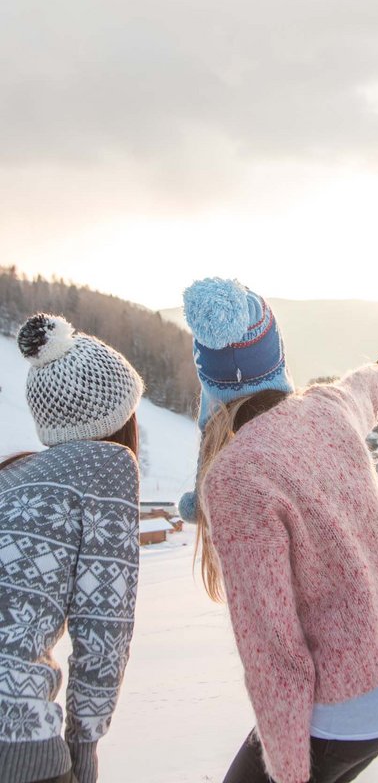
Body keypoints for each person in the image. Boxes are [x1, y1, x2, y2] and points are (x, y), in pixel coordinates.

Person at [179, 279, 378, 783]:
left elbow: (273, 652)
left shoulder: (234, 480)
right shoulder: (325, 408)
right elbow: (361, 388)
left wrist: (288, 774)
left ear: (208, 382)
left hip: (360, 699)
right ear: (276, 356)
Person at [0, 313, 144, 783]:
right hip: (15, 737)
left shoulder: (12, 478)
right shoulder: (107, 467)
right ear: (119, 416)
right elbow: (103, 630)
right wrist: (84, 748)